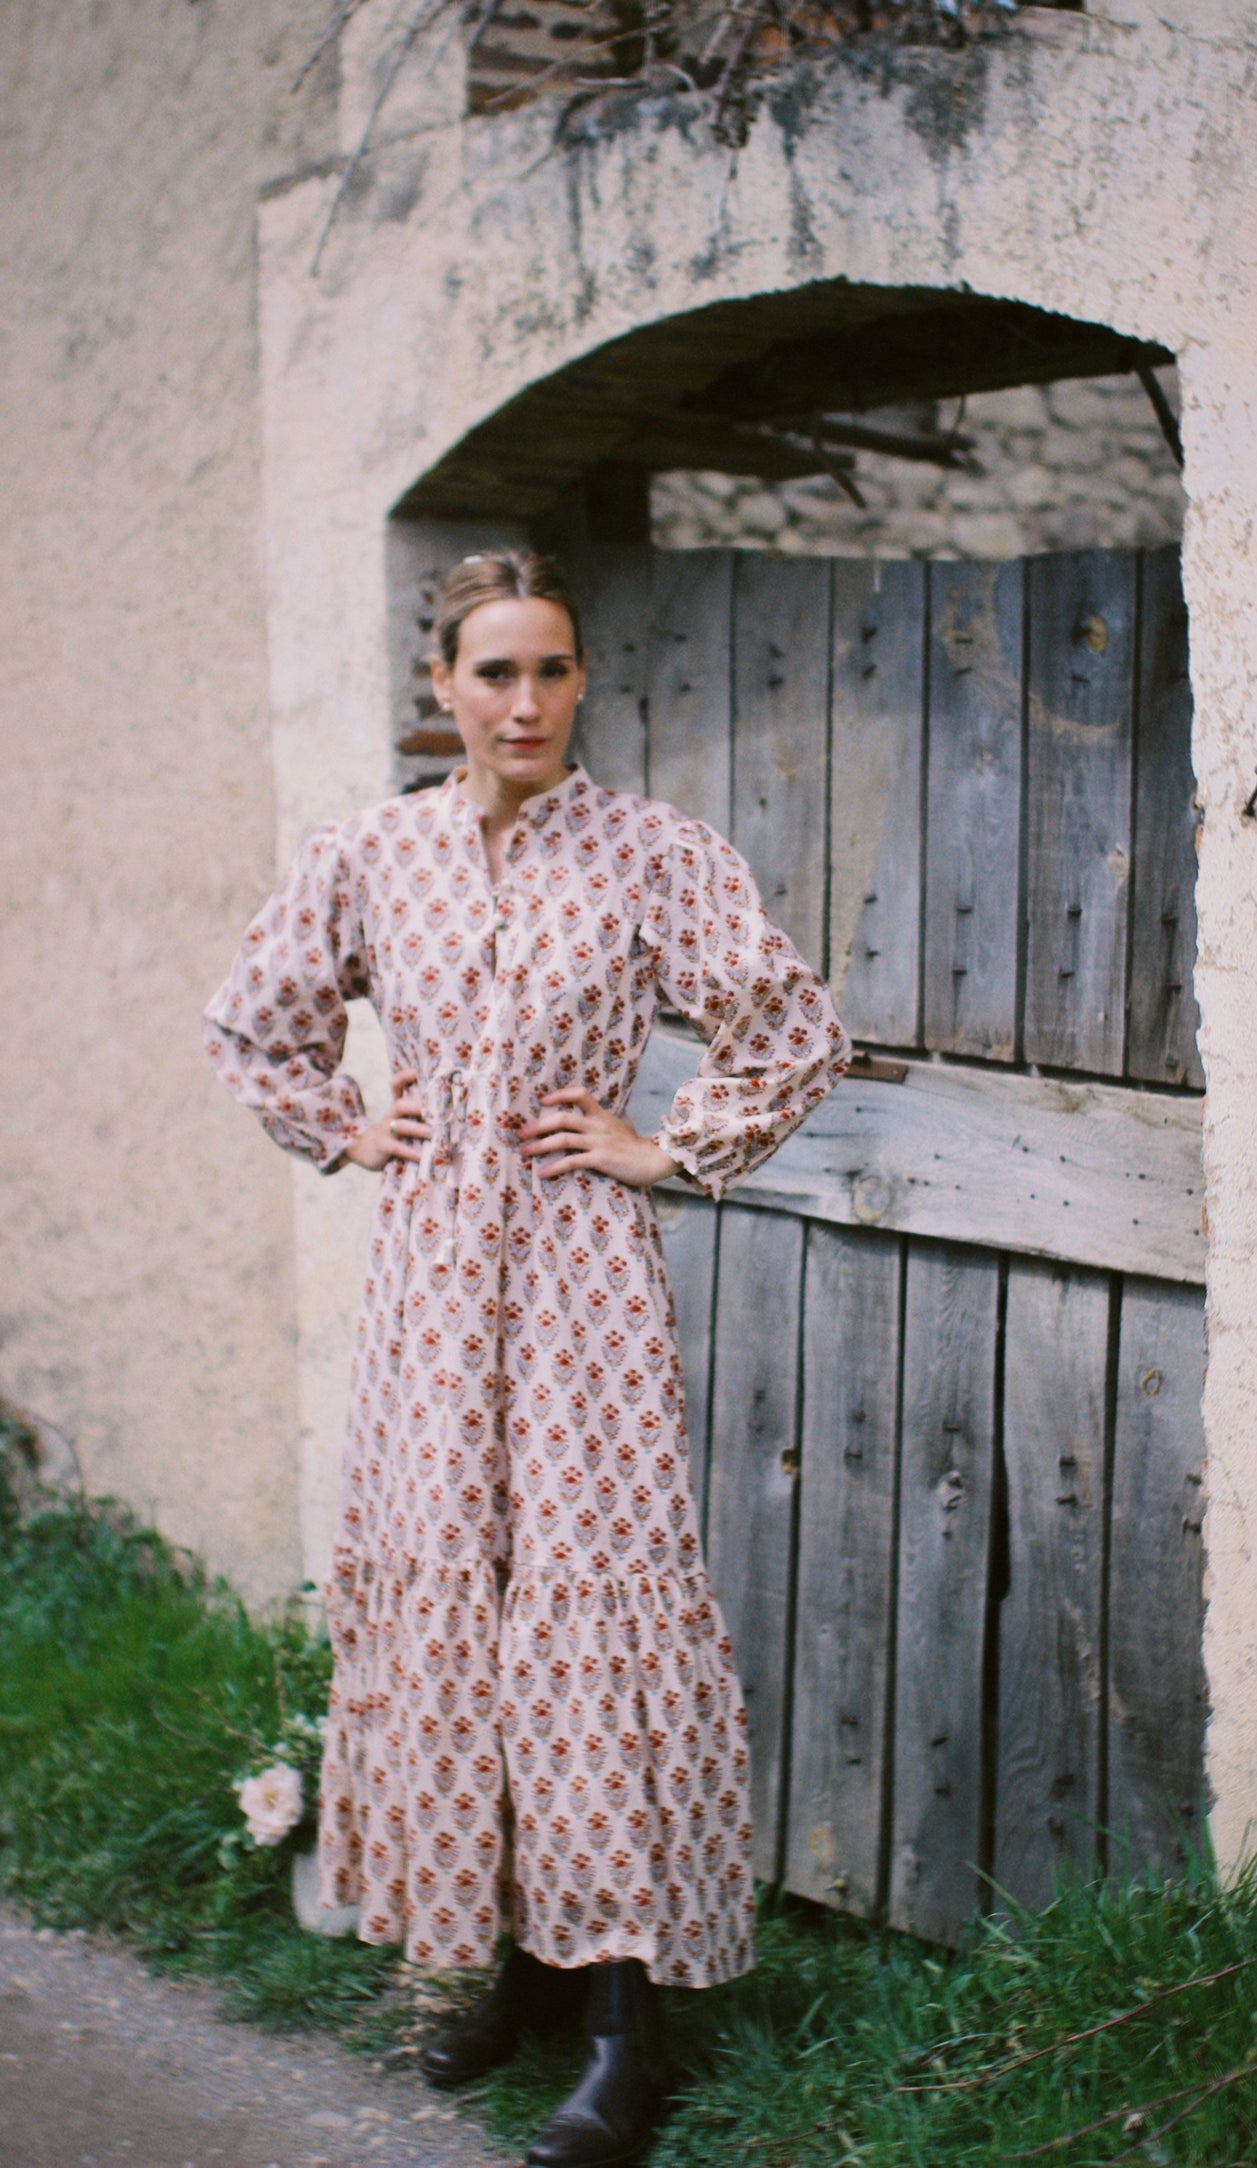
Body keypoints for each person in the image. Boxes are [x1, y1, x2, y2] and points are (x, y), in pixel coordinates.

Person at [204, 549, 850, 2167]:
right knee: (446, 1592)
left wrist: (666, 1147)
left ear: (579, 682)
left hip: (579, 1285)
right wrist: (349, 1125)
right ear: (443, 689)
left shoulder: (649, 856)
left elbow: (789, 1028)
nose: (525, 701)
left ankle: (630, 2024)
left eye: (551, 670)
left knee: (592, 1602)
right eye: (493, 673)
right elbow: (253, 1019)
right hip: (431, 1281)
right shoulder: (370, 856)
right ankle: (492, 1960)